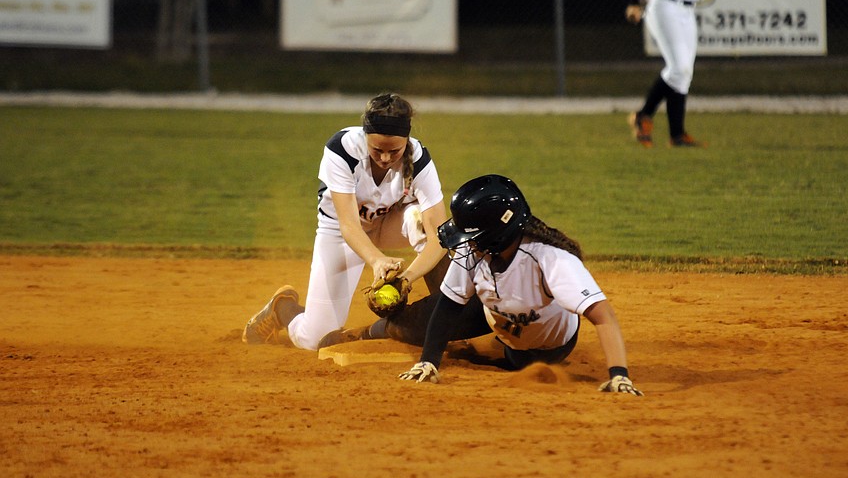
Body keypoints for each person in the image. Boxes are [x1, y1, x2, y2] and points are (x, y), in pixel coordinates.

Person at [325, 174, 643, 395]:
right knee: (412, 326)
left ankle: (422, 241)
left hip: (541, 344)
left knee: (501, 359)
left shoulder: (551, 262)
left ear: (497, 234)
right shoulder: (477, 251)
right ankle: (370, 331)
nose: (467, 243)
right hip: (489, 309)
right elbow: (448, 309)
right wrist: (429, 361)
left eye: (472, 235)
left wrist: (620, 376)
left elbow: (603, 315)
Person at [241, 93, 450, 351]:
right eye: (377, 150)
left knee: (420, 220)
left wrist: (406, 279)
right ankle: (282, 308)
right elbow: (349, 225)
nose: (385, 158)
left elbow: (439, 236)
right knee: (315, 339)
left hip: (390, 224)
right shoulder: (342, 149)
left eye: (394, 151)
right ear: (365, 138)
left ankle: (449, 321)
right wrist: (377, 260)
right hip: (341, 233)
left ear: (406, 141)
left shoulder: (419, 159)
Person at [625, 0, 722, 148]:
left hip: (687, 10)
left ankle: (676, 135)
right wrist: (634, 1)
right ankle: (644, 116)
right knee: (678, 67)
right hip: (664, 7)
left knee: (683, 73)